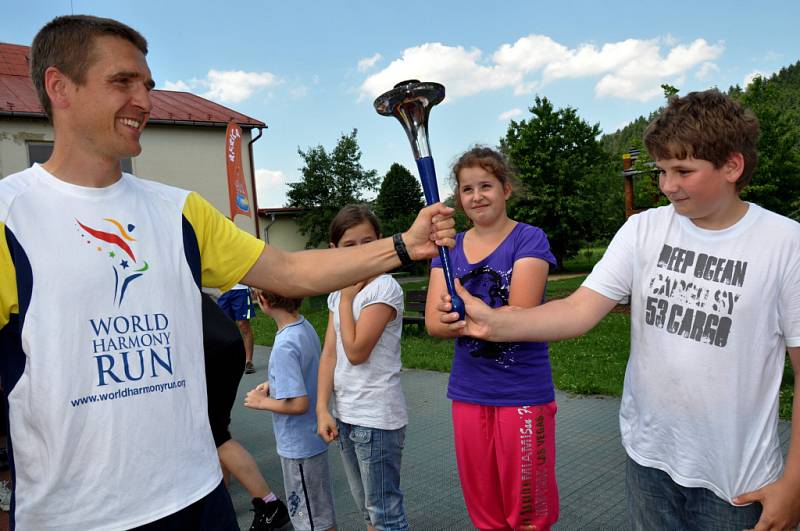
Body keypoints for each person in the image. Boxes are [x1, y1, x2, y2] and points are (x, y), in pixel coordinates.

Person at [0, 15, 454, 530]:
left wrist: (404, 245)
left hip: (197, 499)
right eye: (121, 82)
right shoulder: (10, 216)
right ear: (60, 86)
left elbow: (288, 270)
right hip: (73, 517)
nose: (145, 101)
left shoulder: (181, 211)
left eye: (147, 85)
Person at [440, 90, 800, 531]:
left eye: (683, 171)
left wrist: (795, 482)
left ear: (732, 166)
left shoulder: (785, 244)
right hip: (648, 459)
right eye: (663, 170)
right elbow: (578, 310)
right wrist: (492, 320)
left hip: (736, 481)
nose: (668, 186)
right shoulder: (643, 228)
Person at [424, 147, 559, 530]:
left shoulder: (528, 239)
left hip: (522, 392)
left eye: (486, 185)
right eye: (468, 189)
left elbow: (519, 313)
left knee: (529, 510)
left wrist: (461, 316)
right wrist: (469, 319)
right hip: (468, 392)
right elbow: (435, 324)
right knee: (484, 509)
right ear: (459, 198)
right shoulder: (448, 249)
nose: (477, 196)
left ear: (506, 189)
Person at [316, 205, 409, 531]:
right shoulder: (337, 292)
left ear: (380, 242)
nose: (359, 252)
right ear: (334, 250)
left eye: (367, 242)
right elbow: (329, 354)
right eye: (348, 246)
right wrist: (322, 409)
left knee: (386, 514)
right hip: (347, 413)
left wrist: (345, 301)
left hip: (377, 418)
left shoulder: (383, 288)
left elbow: (355, 352)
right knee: (369, 512)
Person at [245, 288, 337, 531]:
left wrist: (260, 402)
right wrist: (273, 384)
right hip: (311, 439)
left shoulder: (285, 343)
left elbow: (298, 403)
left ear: (263, 301)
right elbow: (304, 371)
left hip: (298, 446)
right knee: (321, 513)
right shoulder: (303, 327)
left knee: (310, 520)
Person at [202, 292, 290, 531]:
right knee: (218, 429)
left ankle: (270, 505)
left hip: (214, 351)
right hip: (225, 345)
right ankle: (220, 496)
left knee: (216, 434)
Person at [217, 284, 258, 373]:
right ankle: (229, 360)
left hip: (241, 289)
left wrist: (254, 286)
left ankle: (248, 361)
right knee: (225, 326)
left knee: (243, 325)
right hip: (223, 289)